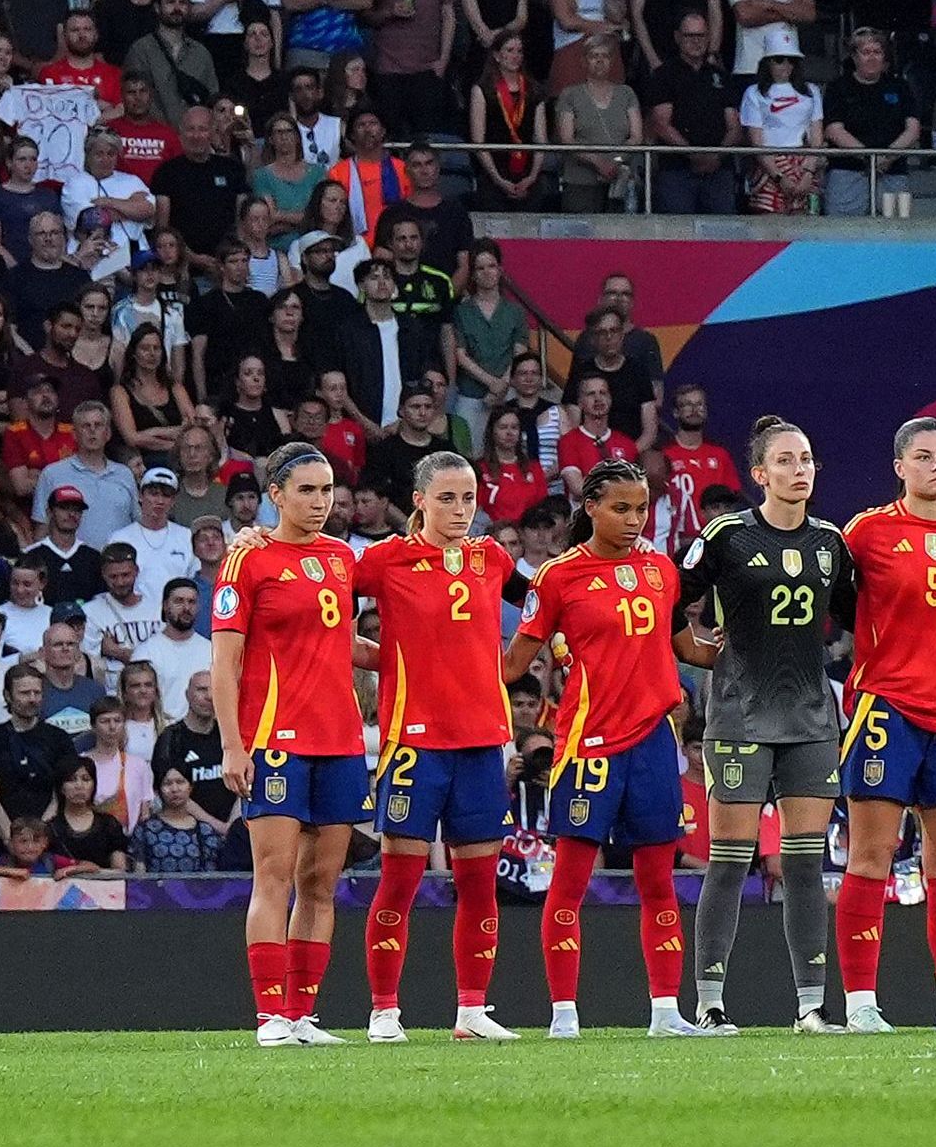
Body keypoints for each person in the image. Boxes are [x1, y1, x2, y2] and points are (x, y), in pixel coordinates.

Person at [504, 457, 696, 1038]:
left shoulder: (662, 569)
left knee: (658, 881)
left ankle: (667, 1013)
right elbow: (513, 665)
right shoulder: (558, 577)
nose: (634, 519)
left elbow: (687, 647)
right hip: (588, 746)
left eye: (641, 508)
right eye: (620, 508)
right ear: (589, 508)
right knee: (569, 880)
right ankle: (564, 1015)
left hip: (654, 742)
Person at [674, 416, 854, 1032]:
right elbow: (671, 595)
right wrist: (697, 649)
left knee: (804, 864)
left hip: (811, 719)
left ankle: (811, 1007)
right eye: (784, 460)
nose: (799, 469)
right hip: (740, 716)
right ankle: (710, 1005)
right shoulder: (727, 534)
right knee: (729, 860)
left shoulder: (831, 542)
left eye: (806, 459)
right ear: (759, 474)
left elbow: (860, 614)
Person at [832, 416, 936, 1030]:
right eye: (924, 456)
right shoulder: (867, 532)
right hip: (887, 707)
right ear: (900, 467)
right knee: (871, 854)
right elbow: (838, 602)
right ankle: (860, 1006)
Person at [353, 449, 522, 1040]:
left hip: (481, 743)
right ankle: (383, 1011)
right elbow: (321, 601)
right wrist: (374, 657)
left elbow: (545, 602)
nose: (460, 510)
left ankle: (472, 1011)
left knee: (479, 884)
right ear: (419, 501)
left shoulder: (491, 557)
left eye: (469, 498)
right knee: (399, 881)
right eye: (446, 498)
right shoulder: (387, 559)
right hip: (413, 744)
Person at [207, 439, 367, 1045]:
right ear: (275, 494)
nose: (321, 501)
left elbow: (342, 643)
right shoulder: (246, 560)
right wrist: (232, 745)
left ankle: (302, 1015)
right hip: (276, 740)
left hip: (341, 740)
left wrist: (418, 660)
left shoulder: (342, 558)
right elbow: (224, 664)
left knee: (321, 883)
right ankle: (269, 1015)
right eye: (306, 490)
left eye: (327, 490)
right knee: (273, 875)